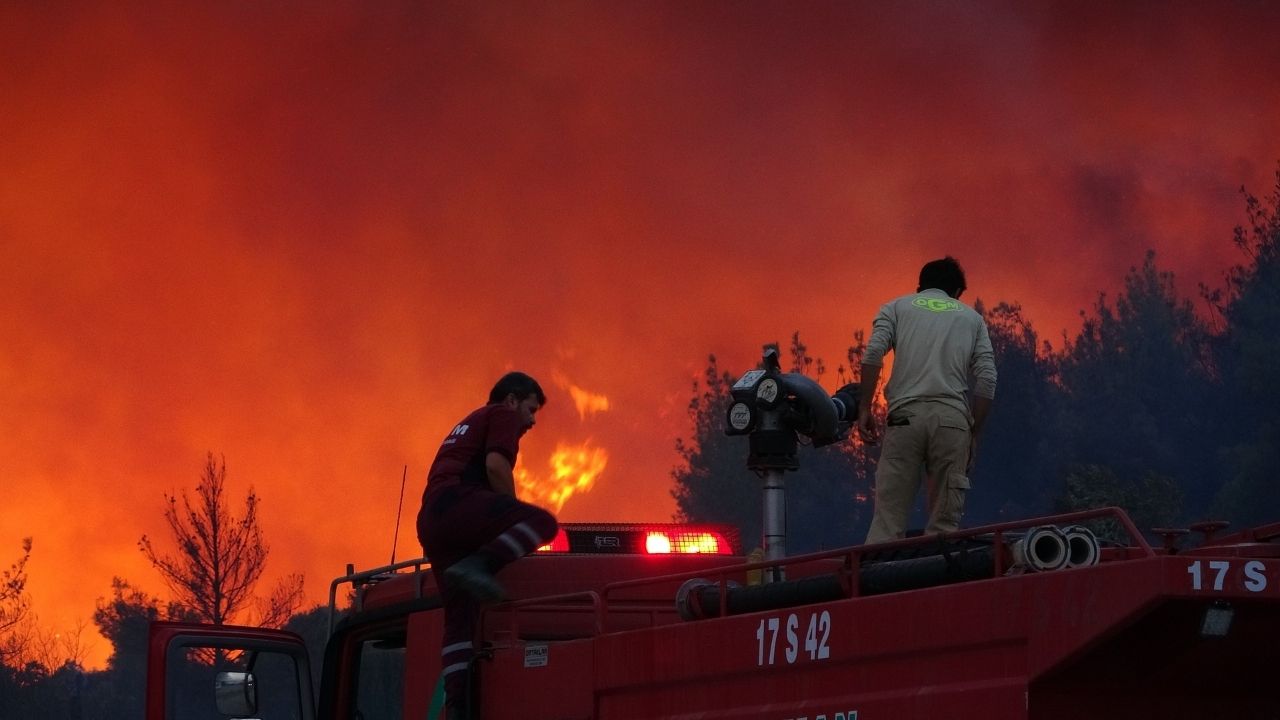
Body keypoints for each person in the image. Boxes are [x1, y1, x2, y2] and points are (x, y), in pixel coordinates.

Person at [416, 371, 559, 719]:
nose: (532, 420)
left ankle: (457, 706)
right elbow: (496, 466)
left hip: (432, 521)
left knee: (459, 616)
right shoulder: (500, 415)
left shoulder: (465, 425)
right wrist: (511, 515)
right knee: (542, 523)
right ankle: (480, 564)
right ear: (511, 400)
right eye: (530, 408)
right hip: (458, 503)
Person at [857, 256, 997, 544]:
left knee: (887, 521)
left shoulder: (896, 308)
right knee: (944, 528)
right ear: (957, 292)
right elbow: (987, 379)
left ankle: (880, 581)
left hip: (904, 418)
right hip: (952, 421)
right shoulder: (972, 319)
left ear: (919, 287)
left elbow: (872, 355)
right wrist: (973, 434)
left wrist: (863, 408)